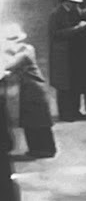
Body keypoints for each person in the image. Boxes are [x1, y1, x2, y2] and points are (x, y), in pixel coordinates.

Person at [2, 25, 56, 158]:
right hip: (29, 89)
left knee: (38, 121)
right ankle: (37, 148)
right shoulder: (21, 50)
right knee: (31, 121)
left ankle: (44, 149)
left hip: (34, 88)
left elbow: (11, 65)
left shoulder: (26, 50)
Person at [47, 0, 86, 122]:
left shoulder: (72, 13)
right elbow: (56, 34)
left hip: (72, 54)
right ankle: (65, 113)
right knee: (63, 86)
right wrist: (77, 28)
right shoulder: (56, 14)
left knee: (73, 84)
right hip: (61, 54)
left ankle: (74, 110)